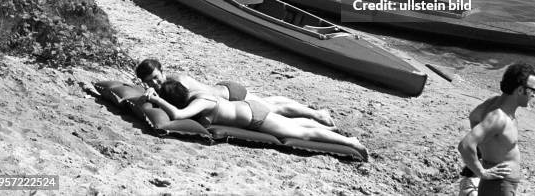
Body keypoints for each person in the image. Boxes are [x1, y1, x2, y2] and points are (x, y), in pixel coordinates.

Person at [144, 79, 368, 161]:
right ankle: (324, 124)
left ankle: (351, 142)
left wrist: (159, 101)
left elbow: (178, 115)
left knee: (301, 134)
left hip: (255, 118)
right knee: (296, 126)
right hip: (250, 109)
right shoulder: (196, 95)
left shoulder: (200, 101)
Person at [135, 58, 334, 126]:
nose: (154, 81)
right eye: (149, 80)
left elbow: (182, 104)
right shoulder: (165, 85)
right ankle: (309, 110)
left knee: (273, 109)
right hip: (224, 90)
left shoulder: (176, 81)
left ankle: (316, 114)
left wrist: (155, 95)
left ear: (162, 70)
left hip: (231, 95)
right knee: (270, 102)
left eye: (155, 76)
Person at [458, 62, 535, 196]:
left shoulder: (493, 102)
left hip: (499, 185)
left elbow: (474, 117)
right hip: (499, 186)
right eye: (532, 90)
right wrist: (481, 172)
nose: (534, 95)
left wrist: (485, 146)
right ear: (519, 90)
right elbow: (465, 145)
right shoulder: (499, 117)